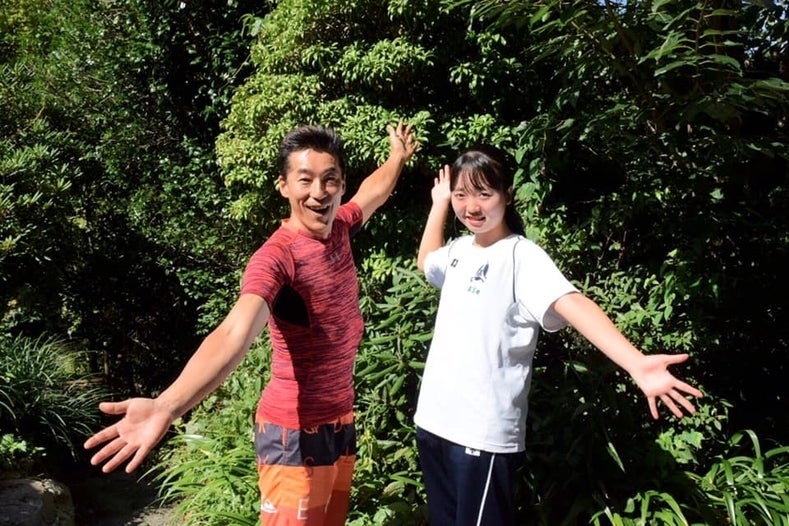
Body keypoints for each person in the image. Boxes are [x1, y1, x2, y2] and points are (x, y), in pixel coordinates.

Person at [84, 121, 417, 525]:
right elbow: (233, 333)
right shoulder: (277, 259)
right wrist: (167, 406)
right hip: (293, 434)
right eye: (305, 180)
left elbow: (374, 192)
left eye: (330, 179)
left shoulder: (341, 226)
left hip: (339, 421)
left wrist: (397, 156)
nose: (319, 192)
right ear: (283, 186)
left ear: (341, 184)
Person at [414, 145, 703, 526]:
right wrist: (438, 203)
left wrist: (636, 363)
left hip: (479, 434)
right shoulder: (459, 251)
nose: (472, 207)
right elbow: (426, 262)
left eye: (484, 193)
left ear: (507, 194)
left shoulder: (521, 256)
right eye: (461, 195)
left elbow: (573, 304)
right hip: (433, 422)